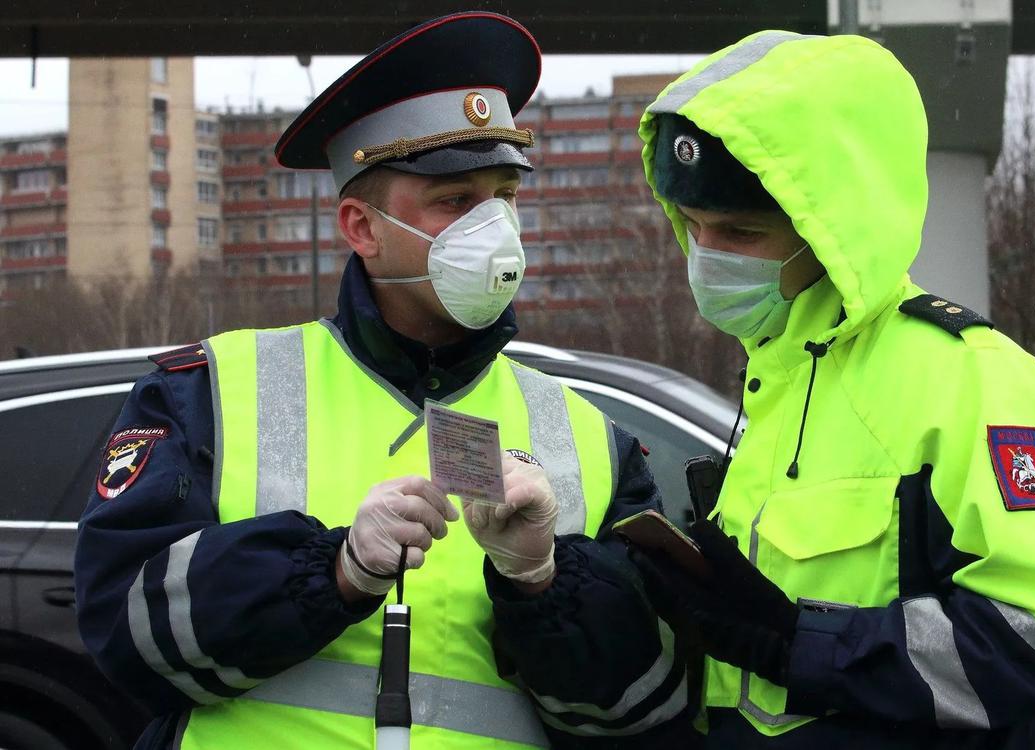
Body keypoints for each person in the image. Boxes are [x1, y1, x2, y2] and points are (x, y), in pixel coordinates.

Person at [73, 13, 694, 749]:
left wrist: (542, 580)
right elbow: (124, 633)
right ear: (361, 227)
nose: (495, 228)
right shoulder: (207, 392)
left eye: (507, 196)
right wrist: (333, 573)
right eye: (456, 201)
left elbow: (650, 712)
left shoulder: (591, 434)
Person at [627, 30, 1035, 749]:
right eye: (693, 226)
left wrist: (796, 642)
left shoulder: (968, 376)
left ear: (834, 230)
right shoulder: (780, 383)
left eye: (740, 230)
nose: (708, 257)